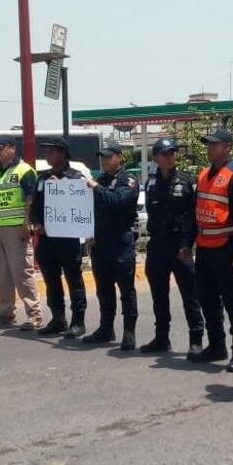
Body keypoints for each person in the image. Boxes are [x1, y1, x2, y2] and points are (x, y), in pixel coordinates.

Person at [189, 128, 233, 372]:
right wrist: (188, 243)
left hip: (227, 249)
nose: (209, 148)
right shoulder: (204, 174)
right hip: (204, 249)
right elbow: (195, 213)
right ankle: (217, 346)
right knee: (207, 301)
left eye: (214, 145)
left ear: (227, 147)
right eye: (208, 145)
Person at [140, 137, 205, 355]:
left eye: (172, 153)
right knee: (159, 295)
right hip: (158, 243)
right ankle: (161, 338)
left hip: (180, 245)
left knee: (190, 295)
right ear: (156, 157)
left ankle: (196, 340)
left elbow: (195, 216)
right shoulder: (150, 182)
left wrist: (189, 243)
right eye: (165, 154)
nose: (170, 157)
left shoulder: (187, 182)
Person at [81, 141, 140, 350]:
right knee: (103, 290)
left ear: (119, 157)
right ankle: (106, 329)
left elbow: (119, 202)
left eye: (109, 157)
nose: (105, 161)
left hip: (120, 243)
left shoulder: (128, 179)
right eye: (102, 157)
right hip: (100, 244)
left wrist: (96, 187)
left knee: (126, 290)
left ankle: (129, 333)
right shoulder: (100, 180)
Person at [30, 138, 88, 338]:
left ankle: (78, 321)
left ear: (63, 153)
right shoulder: (42, 178)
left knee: (73, 279)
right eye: (45, 152)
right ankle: (58, 318)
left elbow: (82, 204)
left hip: (68, 237)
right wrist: (37, 224)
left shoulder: (76, 177)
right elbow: (35, 206)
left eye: (52, 151)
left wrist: (63, 186)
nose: (47, 155)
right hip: (47, 238)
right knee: (51, 279)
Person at [0, 136, 43, 330]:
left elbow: (30, 199)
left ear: (12, 148)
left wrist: (26, 223)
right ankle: (6, 313)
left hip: (17, 227)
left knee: (22, 273)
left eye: (1, 147)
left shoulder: (24, 170)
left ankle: (34, 315)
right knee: (1, 274)